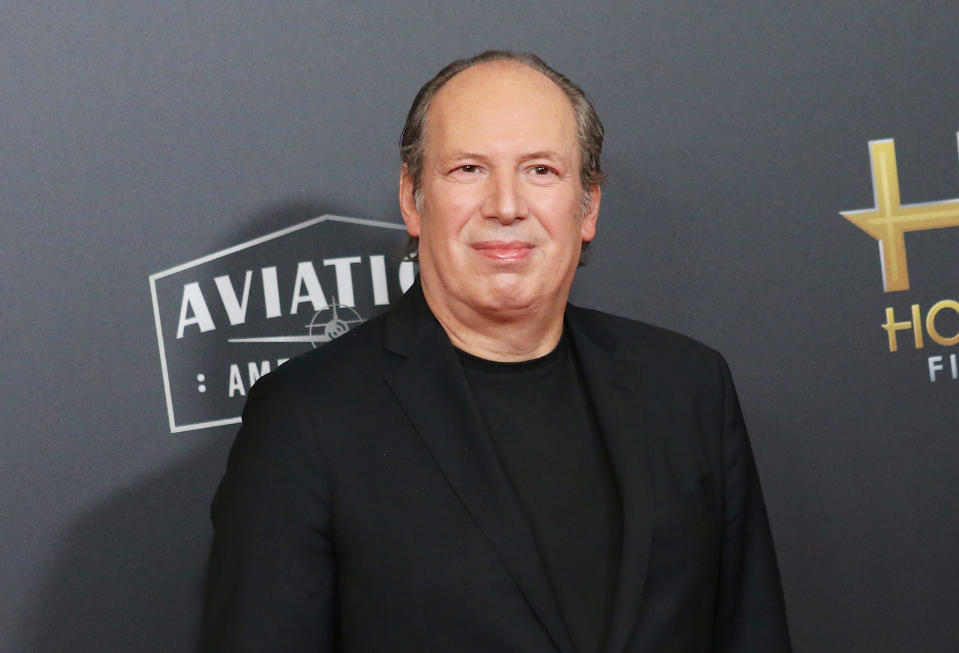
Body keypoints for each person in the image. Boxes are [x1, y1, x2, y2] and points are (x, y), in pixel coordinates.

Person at [199, 50, 792, 653]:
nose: (506, 206)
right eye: (468, 169)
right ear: (412, 198)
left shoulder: (689, 388)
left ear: (588, 206)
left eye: (540, 170)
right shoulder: (308, 418)